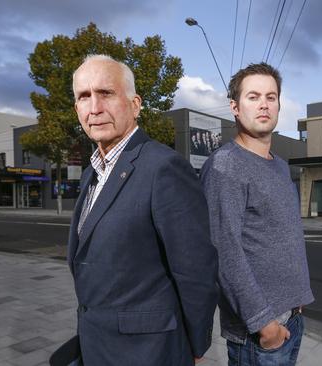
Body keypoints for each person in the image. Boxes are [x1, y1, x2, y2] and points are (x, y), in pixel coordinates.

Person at [58, 54, 218, 365]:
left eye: (106, 93)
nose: (94, 108)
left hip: (148, 353)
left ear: (135, 104)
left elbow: (196, 271)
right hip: (97, 347)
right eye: (83, 97)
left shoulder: (164, 167)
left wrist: (195, 347)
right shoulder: (93, 171)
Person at [200, 62, 314, 366]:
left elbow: (283, 233)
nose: (264, 104)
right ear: (235, 107)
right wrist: (265, 326)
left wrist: (297, 295)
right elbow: (224, 252)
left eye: (271, 97)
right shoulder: (226, 166)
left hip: (291, 318)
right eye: (253, 97)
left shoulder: (279, 164)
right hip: (259, 333)